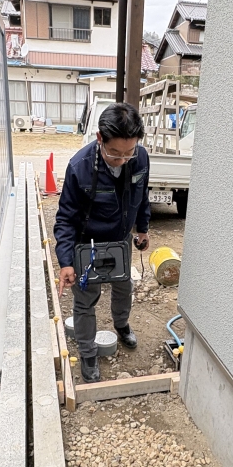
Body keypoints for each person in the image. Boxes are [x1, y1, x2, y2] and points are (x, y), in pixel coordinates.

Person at [54, 102, 150, 384]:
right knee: (85, 299)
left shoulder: (140, 158)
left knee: (124, 287)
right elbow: (65, 219)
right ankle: (88, 352)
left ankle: (121, 325)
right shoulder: (79, 167)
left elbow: (142, 195)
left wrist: (143, 229)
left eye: (129, 152)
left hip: (120, 242)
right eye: (115, 153)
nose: (123, 160)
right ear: (100, 138)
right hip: (88, 245)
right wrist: (66, 262)